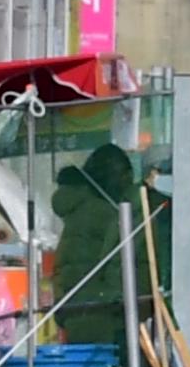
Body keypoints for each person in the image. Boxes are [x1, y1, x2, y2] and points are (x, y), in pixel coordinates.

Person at [48, 140, 148, 348]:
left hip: (75, 313)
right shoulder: (104, 214)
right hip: (101, 317)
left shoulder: (80, 211)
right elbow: (117, 271)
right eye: (126, 175)